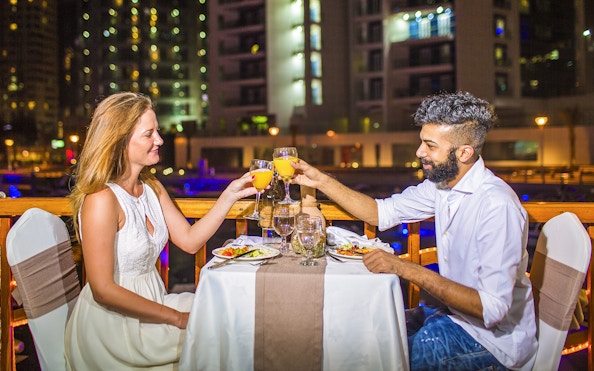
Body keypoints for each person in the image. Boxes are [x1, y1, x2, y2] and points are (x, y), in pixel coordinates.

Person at [292, 91, 537, 370]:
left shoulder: (496, 206)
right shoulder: (443, 186)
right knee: (362, 334)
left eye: (429, 145)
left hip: (494, 344)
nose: (420, 152)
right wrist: (320, 180)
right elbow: (379, 212)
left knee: (377, 360)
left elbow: (492, 310)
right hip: (454, 317)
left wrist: (404, 268)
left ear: (464, 152)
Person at [64, 92, 258, 369]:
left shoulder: (152, 187)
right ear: (120, 141)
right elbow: (103, 290)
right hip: (115, 326)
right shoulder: (101, 200)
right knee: (218, 338)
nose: (160, 140)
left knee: (230, 315)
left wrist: (229, 196)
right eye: (149, 134)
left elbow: (190, 242)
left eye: (157, 131)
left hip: (154, 305)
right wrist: (177, 318)